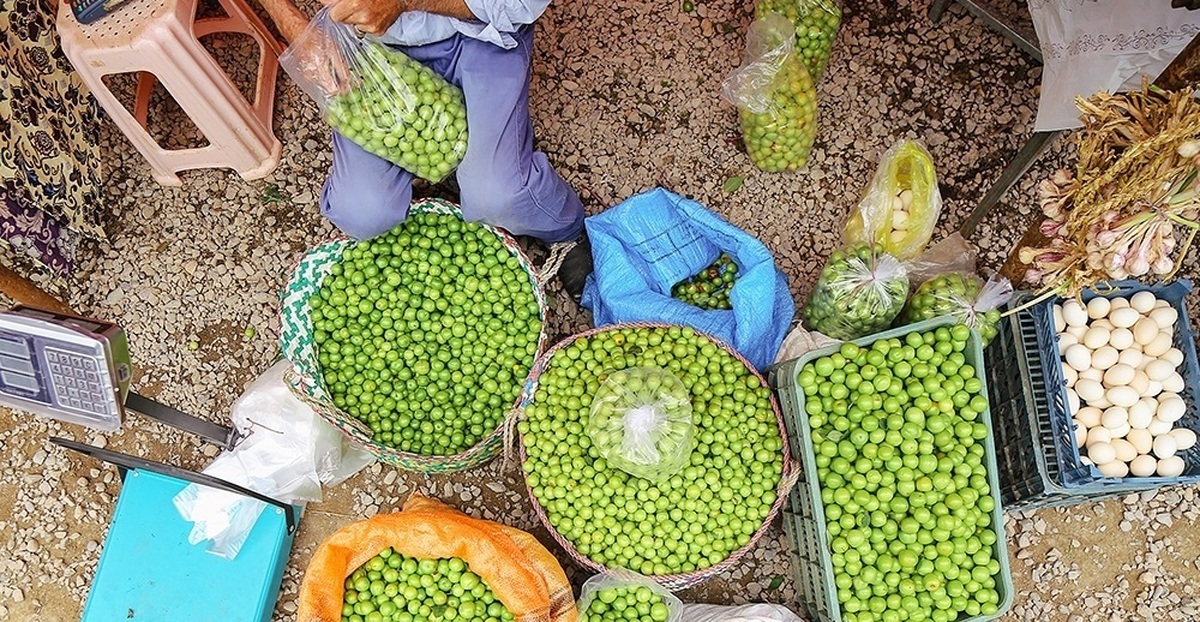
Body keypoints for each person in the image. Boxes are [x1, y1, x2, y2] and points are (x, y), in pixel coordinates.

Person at [255, 0, 585, 245]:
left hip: (477, 32)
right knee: (363, 212)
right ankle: (467, 158)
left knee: (497, 195)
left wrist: (403, 2)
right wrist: (292, 23)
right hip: (364, 44)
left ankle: (567, 231)